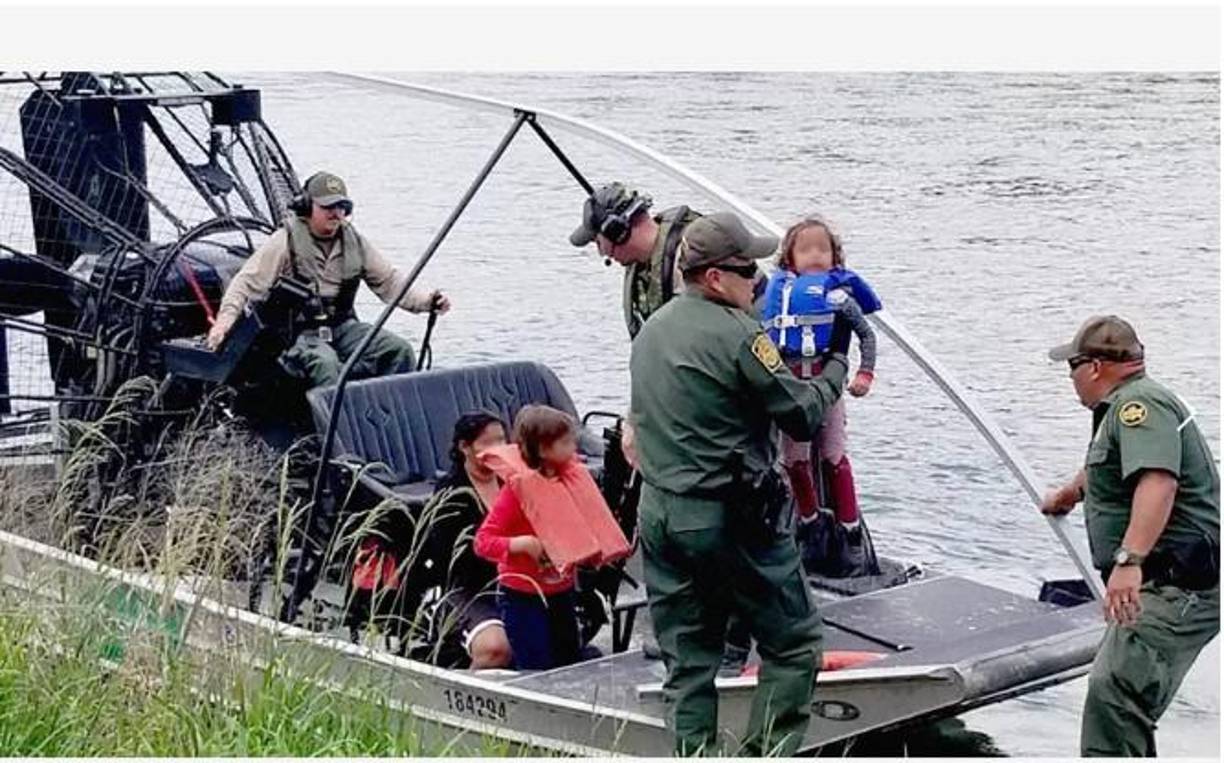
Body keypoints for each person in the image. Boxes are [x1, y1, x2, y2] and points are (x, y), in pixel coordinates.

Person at [629, 211, 851, 756]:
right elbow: (799, 415)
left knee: (688, 664)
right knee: (795, 645)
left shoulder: (651, 330)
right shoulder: (741, 335)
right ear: (713, 277)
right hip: (728, 517)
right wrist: (838, 364)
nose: (758, 280)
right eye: (745, 269)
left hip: (659, 516)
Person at [571, 182, 754, 674]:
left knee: (720, 529)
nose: (599, 251)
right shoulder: (639, 274)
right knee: (672, 529)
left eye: (599, 240)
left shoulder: (690, 259)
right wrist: (636, 421)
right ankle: (689, 632)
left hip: (713, 419)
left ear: (616, 230)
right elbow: (648, 355)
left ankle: (729, 640)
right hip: (674, 417)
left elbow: (717, 345)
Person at [1040, 315, 1219, 757]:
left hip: (1173, 585)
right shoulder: (1127, 407)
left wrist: (1129, 562)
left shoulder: (1138, 406)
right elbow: (1118, 462)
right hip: (1166, 583)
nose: (1072, 380)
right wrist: (1072, 492)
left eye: (1073, 368)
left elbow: (1159, 480)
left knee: (1116, 696)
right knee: (1120, 698)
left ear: (1096, 367)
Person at [205, 171, 451, 387]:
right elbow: (246, 284)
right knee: (326, 364)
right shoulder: (285, 242)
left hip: (342, 327)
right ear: (306, 207)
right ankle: (333, 431)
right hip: (298, 333)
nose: (336, 214)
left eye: (341, 207)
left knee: (398, 350)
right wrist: (223, 323)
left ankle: (394, 419)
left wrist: (428, 302)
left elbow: (390, 282)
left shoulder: (355, 242)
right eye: (327, 207)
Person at [762, 216, 882, 576]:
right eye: (805, 249)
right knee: (794, 461)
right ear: (790, 258)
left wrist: (864, 373)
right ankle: (810, 525)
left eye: (822, 249)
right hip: (792, 390)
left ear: (834, 256)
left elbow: (867, 335)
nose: (815, 255)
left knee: (834, 457)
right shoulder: (778, 295)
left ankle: (850, 535)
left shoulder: (838, 298)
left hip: (827, 391)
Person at [474, 405, 586, 671]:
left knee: (568, 659)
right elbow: (482, 542)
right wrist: (519, 544)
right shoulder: (516, 491)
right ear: (544, 450)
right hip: (522, 595)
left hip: (562, 590)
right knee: (535, 663)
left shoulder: (570, 481)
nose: (574, 447)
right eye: (566, 442)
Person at [423, 411, 514, 670]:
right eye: (488, 443)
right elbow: (448, 559)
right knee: (495, 648)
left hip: (514, 580)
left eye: (502, 441)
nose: (498, 449)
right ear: (465, 447)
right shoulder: (451, 492)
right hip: (465, 588)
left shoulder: (512, 481)